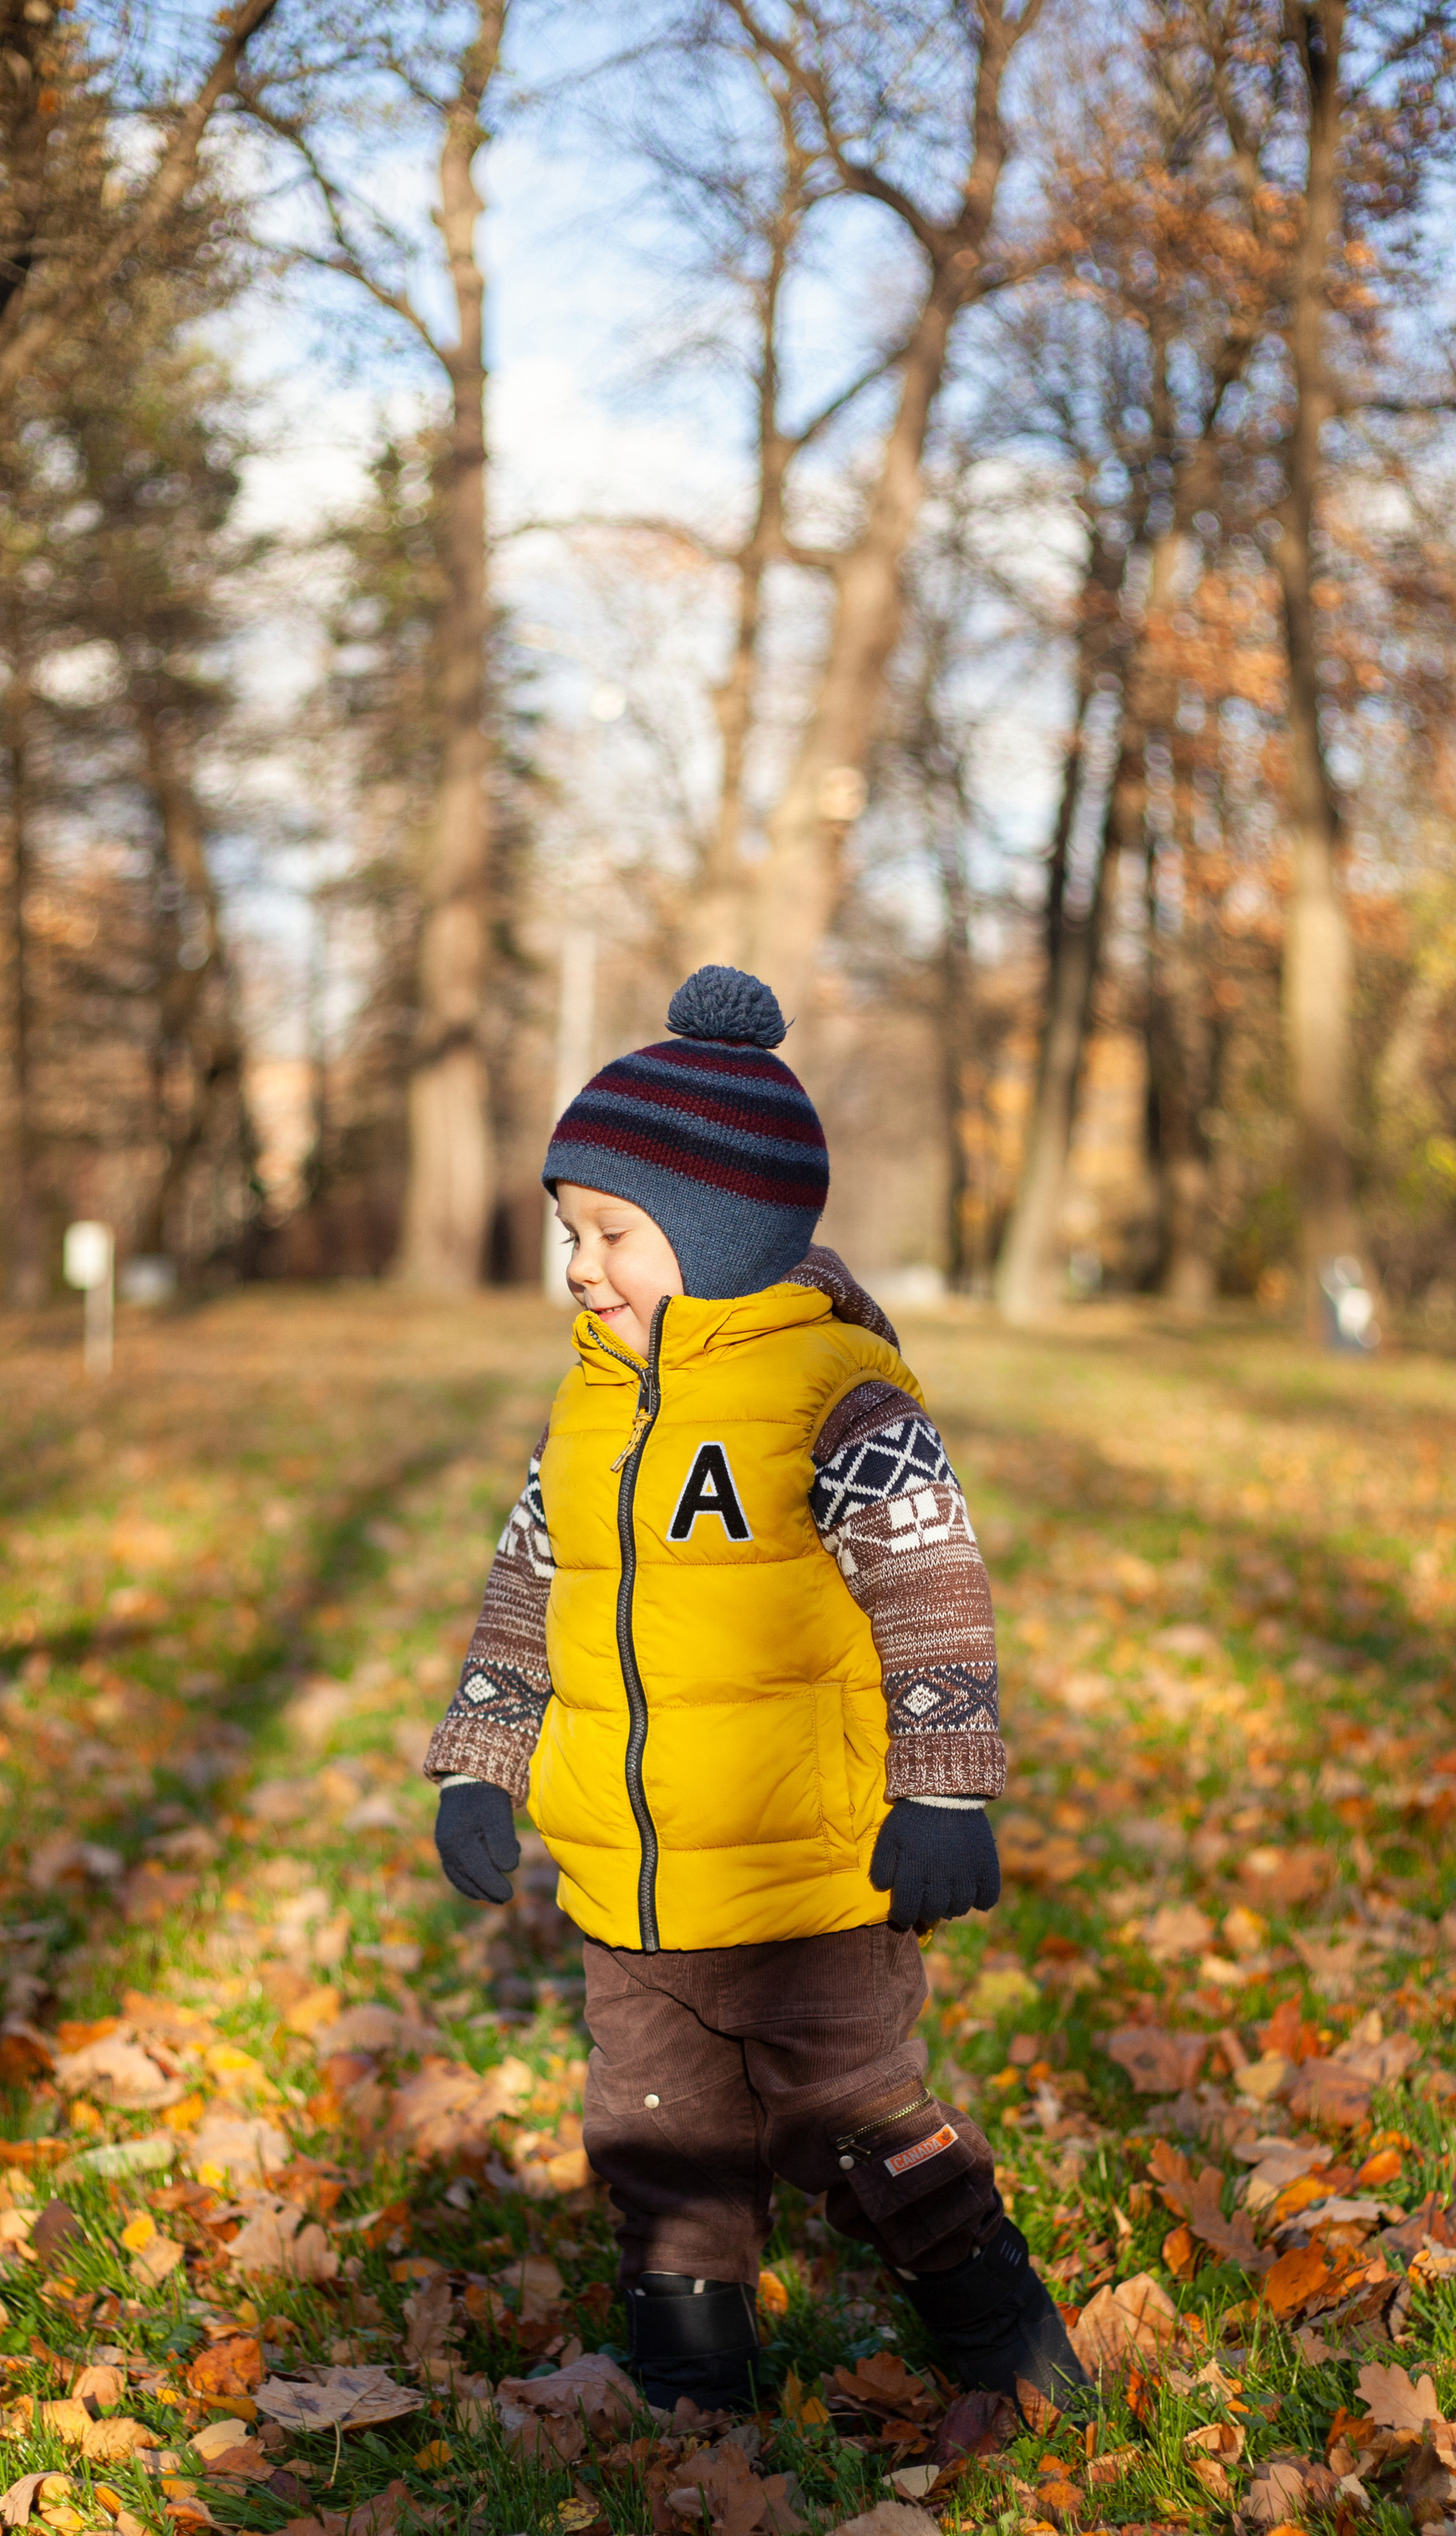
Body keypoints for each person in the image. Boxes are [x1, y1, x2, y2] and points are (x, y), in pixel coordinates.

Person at [424, 963, 1086, 2417]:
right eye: (568, 1235)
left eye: (611, 1234)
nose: (581, 1269)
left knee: (861, 2132)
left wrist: (945, 1792)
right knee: (660, 2141)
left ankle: (1005, 2341)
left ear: (720, 1234)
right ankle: (692, 2383)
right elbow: (527, 1592)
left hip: (807, 1884)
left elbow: (935, 1596)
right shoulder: (588, 1407)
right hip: (629, 1882)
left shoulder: (832, 1399)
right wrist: (480, 1760)